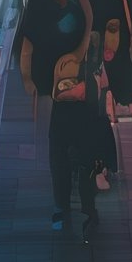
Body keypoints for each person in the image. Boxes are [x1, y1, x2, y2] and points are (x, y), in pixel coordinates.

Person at [48, 51, 101, 239]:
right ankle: (87, 205)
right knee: (85, 153)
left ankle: (63, 204)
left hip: (65, 99)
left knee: (60, 154)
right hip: (85, 99)